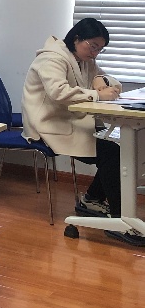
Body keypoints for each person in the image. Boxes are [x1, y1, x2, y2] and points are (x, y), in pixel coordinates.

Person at [21, 18, 122, 223]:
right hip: (48, 124)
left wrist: (102, 81)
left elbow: (111, 82)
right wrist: (97, 94)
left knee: (118, 150)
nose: (95, 53)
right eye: (93, 46)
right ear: (77, 38)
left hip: (71, 120)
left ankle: (93, 200)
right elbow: (58, 92)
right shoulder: (51, 58)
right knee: (113, 154)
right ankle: (120, 218)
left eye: (99, 49)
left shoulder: (85, 60)